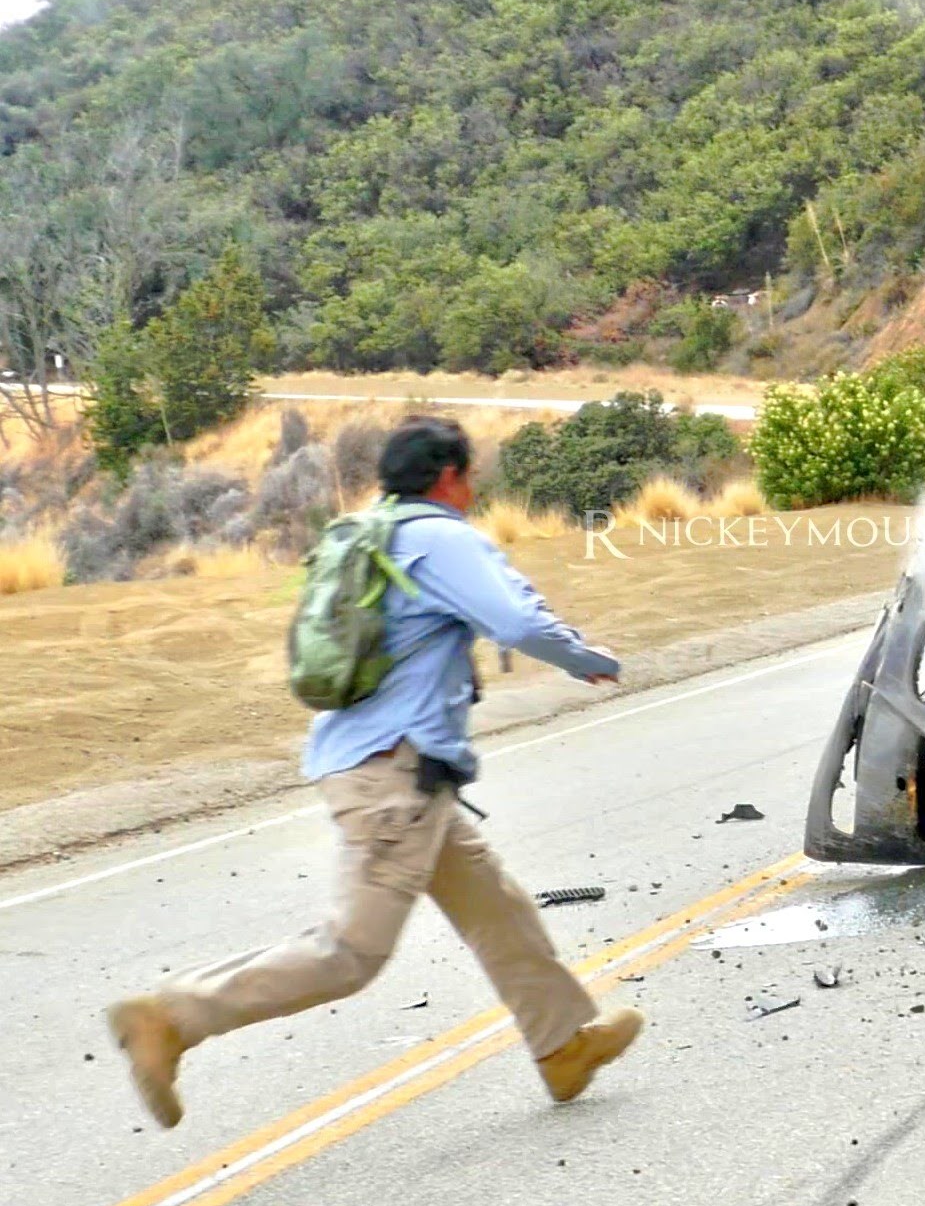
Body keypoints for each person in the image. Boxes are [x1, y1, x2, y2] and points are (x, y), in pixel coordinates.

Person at [107, 416, 643, 1129]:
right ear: (450, 478)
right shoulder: (440, 537)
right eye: (469, 475)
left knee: (495, 906)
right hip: (394, 777)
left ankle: (563, 1046)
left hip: (392, 768)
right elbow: (515, 624)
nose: (474, 487)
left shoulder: (374, 530)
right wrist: (589, 659)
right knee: (351, 953)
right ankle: (173, 1018)